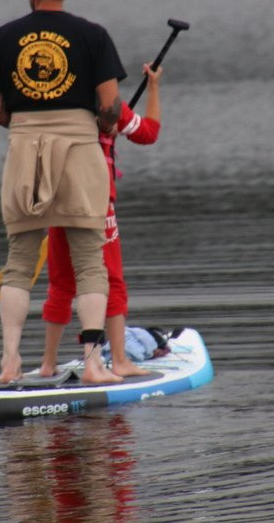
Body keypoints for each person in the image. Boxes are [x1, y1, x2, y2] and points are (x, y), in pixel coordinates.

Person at [0, 0, 125, 385]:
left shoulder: (4, 37)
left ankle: (9, 361)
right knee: (89, 262)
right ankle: (95, 364)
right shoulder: (93, 35)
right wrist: (101, 125)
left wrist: (26, 123)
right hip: (81, 149)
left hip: (25, 150)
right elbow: (112, 106)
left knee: (20, 261)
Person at [39, 64, 163, 378]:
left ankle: (47, 364)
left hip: (60, 203)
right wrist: (154, 88)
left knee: (61, 285)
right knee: (112, 281)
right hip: (97, 205)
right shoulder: (111, 110)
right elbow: (149, 133)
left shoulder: (60, 110)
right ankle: (119, 360)